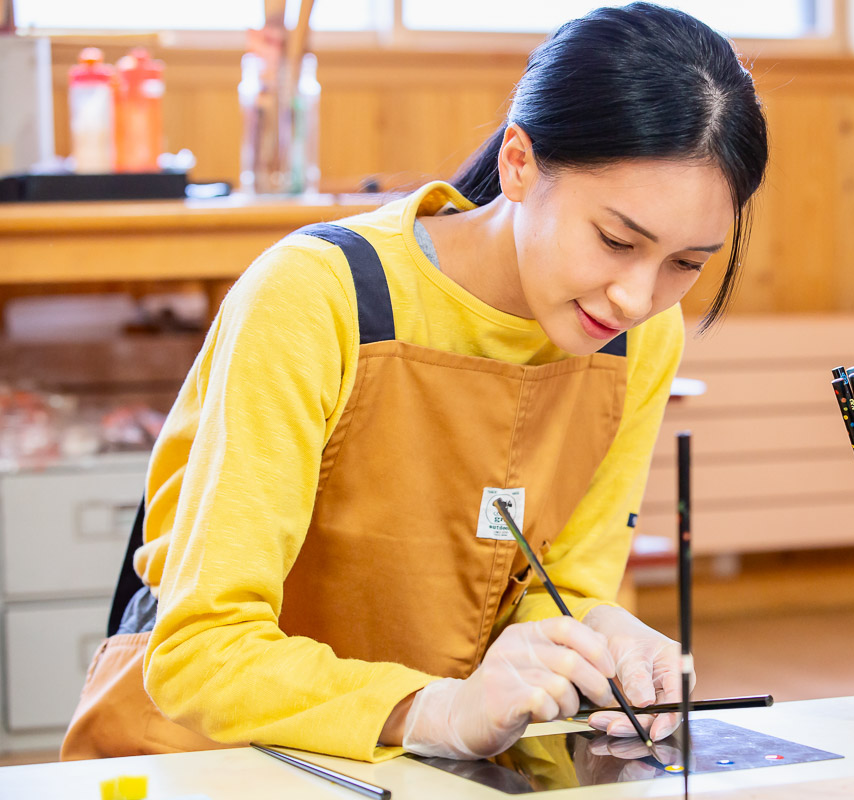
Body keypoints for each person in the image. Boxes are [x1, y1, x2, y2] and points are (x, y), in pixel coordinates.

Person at [62, 2, 769, 763]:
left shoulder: (639, 339)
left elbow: (555, 589)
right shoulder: (314, 297)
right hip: (213, 755)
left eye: (686, 264)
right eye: (615, 240)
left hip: (429, 761)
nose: (636, 295)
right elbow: (201, 651)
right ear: (520, 163)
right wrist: (434, 707)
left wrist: (599, 630)